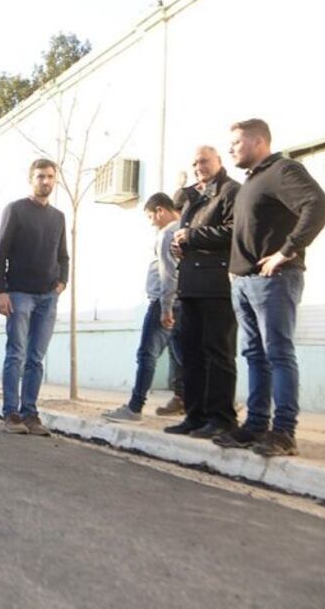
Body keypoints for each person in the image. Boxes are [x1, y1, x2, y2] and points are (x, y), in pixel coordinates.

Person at [213, 119, 325, 457]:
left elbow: (317, 205)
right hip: (245, 282)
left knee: (278, 352)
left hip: (274, 280)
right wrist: (236, 271)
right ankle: (255, 426)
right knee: (254, 355)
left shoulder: (282, 170)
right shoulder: (252, 180)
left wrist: (285, 251)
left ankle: (283, 432)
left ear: (259, 141)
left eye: (236, 141)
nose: (231, 148)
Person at [164, 146, 242, 438]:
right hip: (191, 284)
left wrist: (193, 236)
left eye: (205, 161)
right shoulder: (193, 196)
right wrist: (179, 244)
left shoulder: (231, 191)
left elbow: (236, 230)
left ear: (219, 162)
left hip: (218, 284)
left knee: (218, 353)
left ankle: (221, 418)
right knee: (192, 354)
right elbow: (186, 235)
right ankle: (194, 416)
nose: (199, 167)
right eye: (195, 162)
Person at [0, 158, 68, 436]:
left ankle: (31, 414)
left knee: (36, 358)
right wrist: (1, 290)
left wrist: (62, 283)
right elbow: (0, 252)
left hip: (48, 296)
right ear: (30, 179)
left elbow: (63, 255)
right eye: (40, 176)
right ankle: (11, 413)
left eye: (49, 176)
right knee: (16, 354)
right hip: (19, 294)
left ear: (54, 180)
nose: (45, 181)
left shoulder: (58, 217)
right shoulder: (15, 210)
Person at [103, 192, 182, 423]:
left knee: (147, 353)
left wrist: (165, 307)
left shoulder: (167, 233)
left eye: (150, 216)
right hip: (183, 302)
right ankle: (207, 401)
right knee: (182, 356)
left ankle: (135, 407)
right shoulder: (184, 230)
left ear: (160, 211)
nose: (151, 223)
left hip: (164, 302)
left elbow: (169, 274)